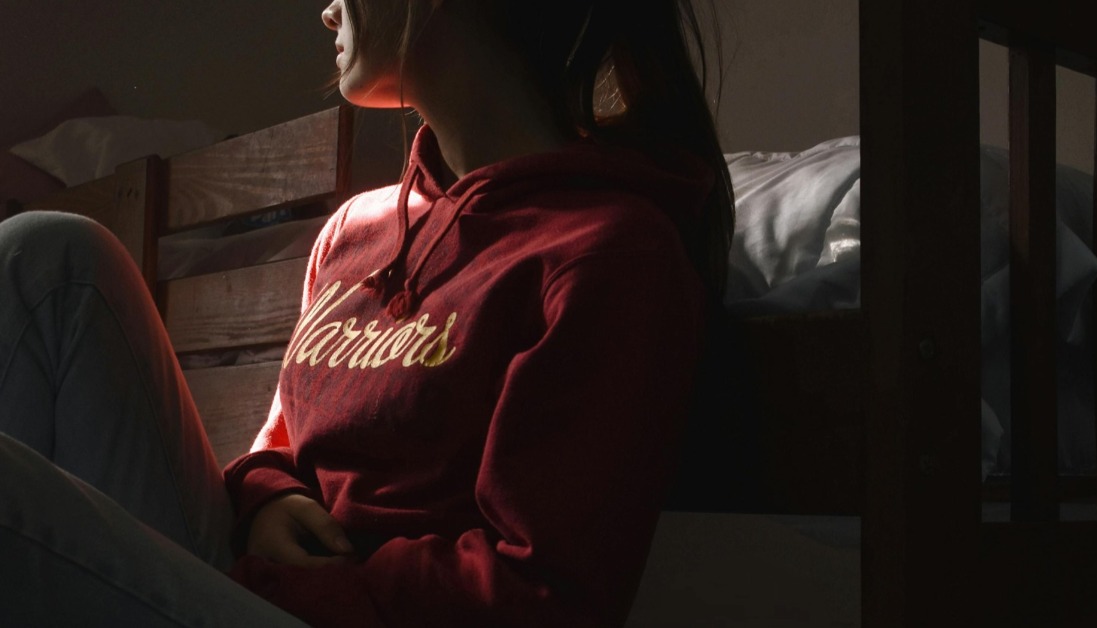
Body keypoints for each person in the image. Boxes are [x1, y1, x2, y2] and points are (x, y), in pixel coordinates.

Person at [0, 0, 733, 625]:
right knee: (50, 256)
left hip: (324, 612)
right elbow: (280, 444)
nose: (327, 10)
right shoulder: (354, 229)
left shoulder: (605, 252)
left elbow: (537, 593)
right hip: (259, 590)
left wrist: (284, 587)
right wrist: (264, 496)